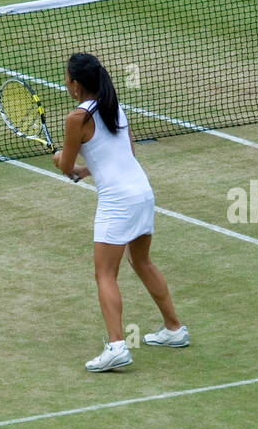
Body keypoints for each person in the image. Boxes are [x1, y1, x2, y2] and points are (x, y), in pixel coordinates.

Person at [52, 52, 188, 373]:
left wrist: (61, 161)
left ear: (75, 85)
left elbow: (66, 166)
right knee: (140, 261)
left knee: (105, 274)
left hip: (117, 202)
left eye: (67, 78)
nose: (65, 83)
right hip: (142, 192)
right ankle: (173, 329)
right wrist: (87, 171)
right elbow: (124, 153)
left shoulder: (75, 119)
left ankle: (116, 346)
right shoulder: (115, 106)